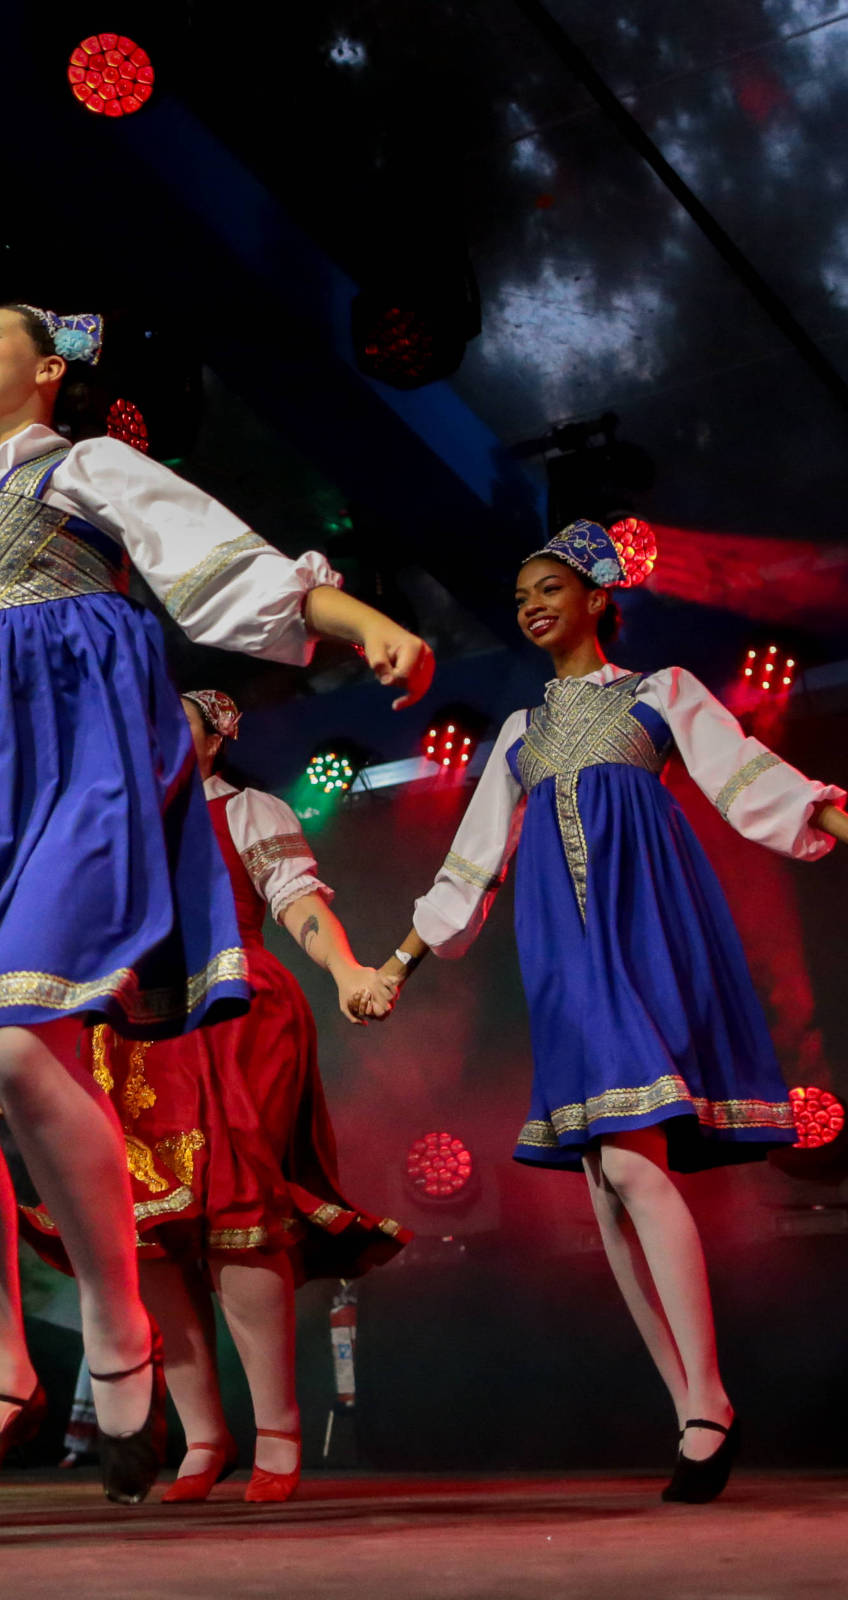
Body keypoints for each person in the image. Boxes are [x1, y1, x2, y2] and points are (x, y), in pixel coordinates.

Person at [0, 304, 432, 1505]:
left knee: (18, 1041)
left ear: (50, 369)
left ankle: (118, 1325)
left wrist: (355, 617)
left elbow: (222, 571)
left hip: (67, 767)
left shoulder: (89, 464)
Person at [368, 519, 847, 1505]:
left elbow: (750, 775)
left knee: (628, 1156)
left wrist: (836, 815)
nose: (533, 604)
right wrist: (396, 963)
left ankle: (707, 1404)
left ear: (597, 596)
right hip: (561, 957)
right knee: (602, 1176)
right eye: (519, 595)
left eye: (550, 586)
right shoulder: (516, 734)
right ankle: (694, 1407)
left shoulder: (660, 692)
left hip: (648, 933)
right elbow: (471, 864)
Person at [23, 689, 407, 1504]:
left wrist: (344, 971)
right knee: (147, 1228)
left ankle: (278, 1430)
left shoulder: (247, 810)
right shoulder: (110, 822)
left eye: (174, 721)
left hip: (236, 1013)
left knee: (239, 1214)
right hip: (131, 1027)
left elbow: (297, 902)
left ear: (217, 737)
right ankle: (205, 1437)